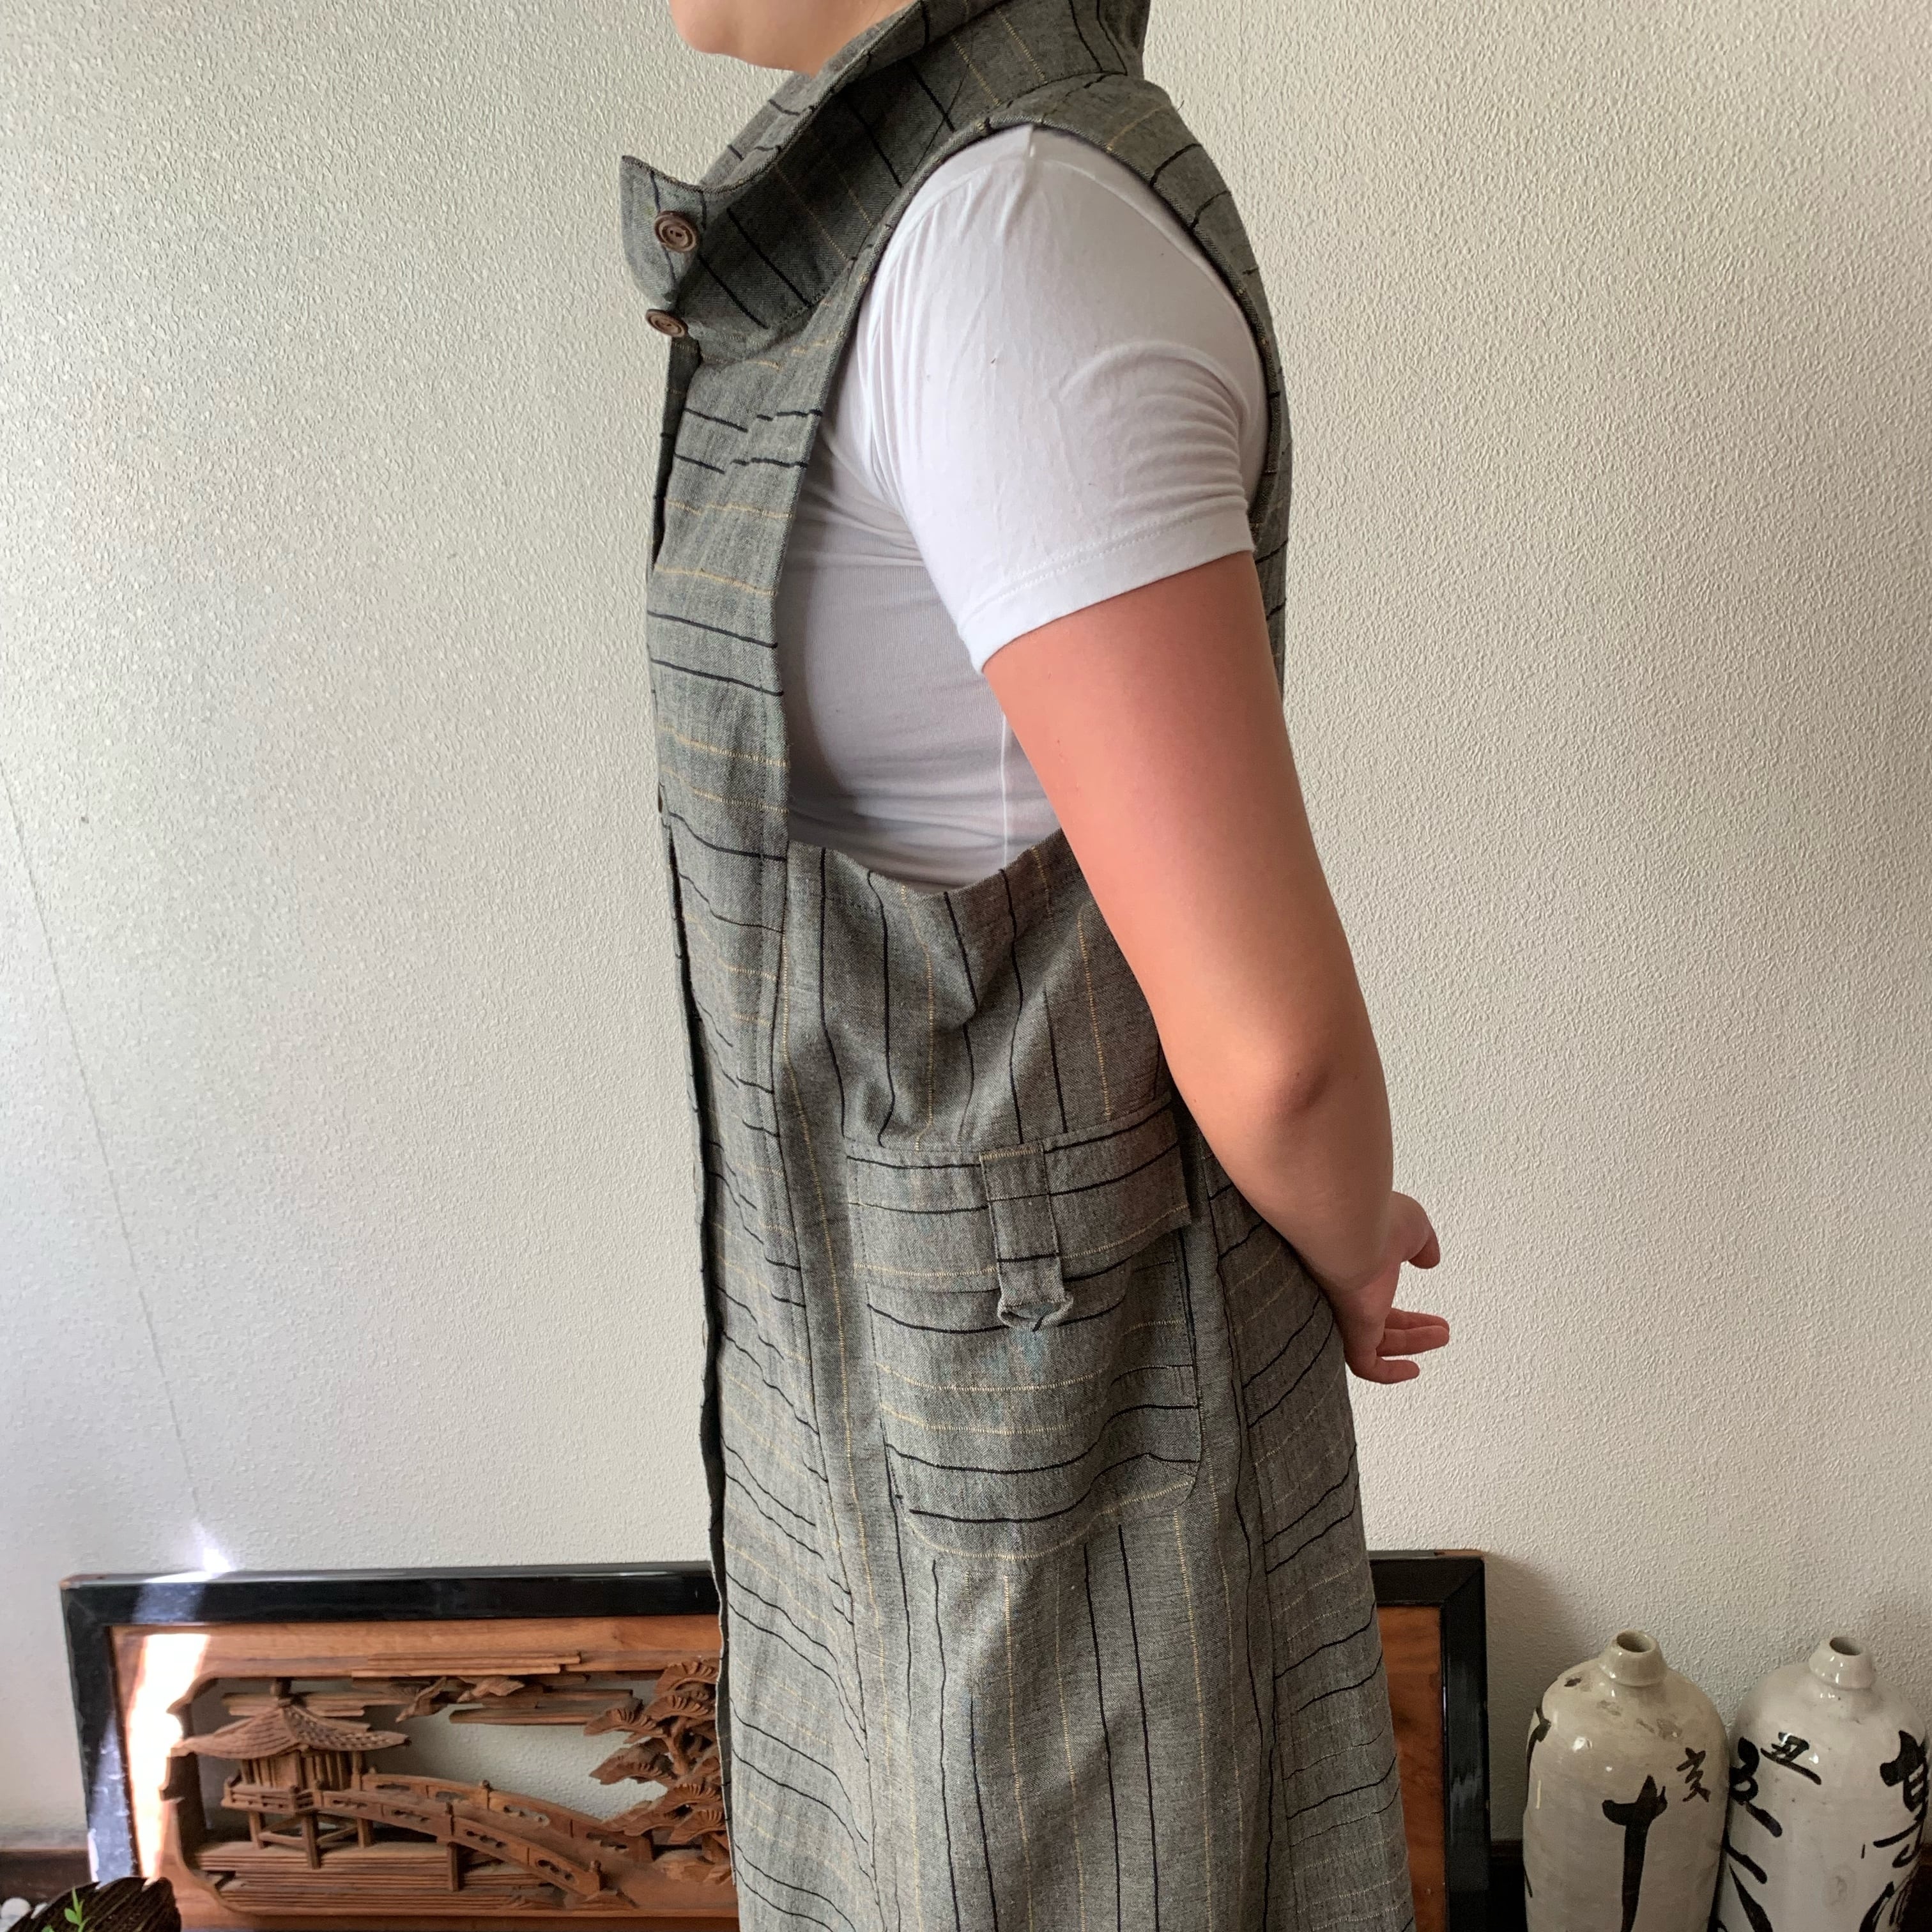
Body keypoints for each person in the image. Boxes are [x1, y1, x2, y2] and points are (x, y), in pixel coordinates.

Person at [625, 2, 1450, 1928]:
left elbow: (1276, 1046)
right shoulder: (922, 228)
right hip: (908, 1403)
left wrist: (1344, 1234)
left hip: (1058, 1435)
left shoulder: (1011, 244)